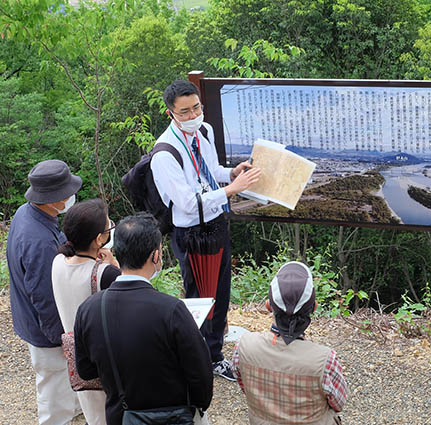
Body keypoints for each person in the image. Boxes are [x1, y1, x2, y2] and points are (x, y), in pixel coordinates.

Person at [151, 79, 260, 381]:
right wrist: (231, 191)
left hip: (216, 223)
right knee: (201, 298)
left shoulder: (205, 131)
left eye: (196, 107)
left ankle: (211, 354)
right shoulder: (165, 153)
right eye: (184, 112)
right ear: (170, 113)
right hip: (192, 233)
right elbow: (186, 204)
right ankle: (199, 359)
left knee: (221, 293)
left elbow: (210, 172)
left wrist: (231, 174)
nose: (192, 115)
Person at [73, 213, 213, 425]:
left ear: (116, 252)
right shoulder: (172, 309)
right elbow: (201, 377)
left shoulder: (89, 309)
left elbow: (86, 370)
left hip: (121, 416)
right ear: (155, 256)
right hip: (173, 416)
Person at [6, 159, 82, 425]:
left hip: (29, 317)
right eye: (67, 193)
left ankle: (73, 408)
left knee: (62, 381)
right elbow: (44, 296)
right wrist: (59, 339)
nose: (71, 196)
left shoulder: (26, 213)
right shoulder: (37, 240)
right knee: (53, 388)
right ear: (53, 200)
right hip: (44, 328)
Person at [231, 261, 348, 424]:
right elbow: (338, 403)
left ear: (268, 305)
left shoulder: (243, 346)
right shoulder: (325, 360)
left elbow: (245, 388)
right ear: (313, 307)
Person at [51, 199, 121, 425]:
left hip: (76, 357)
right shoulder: (105, 274)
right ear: (99, 239)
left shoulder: (58, 262)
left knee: (93, 414)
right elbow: (127, 299)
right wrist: (114, 266)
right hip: (105, 360)